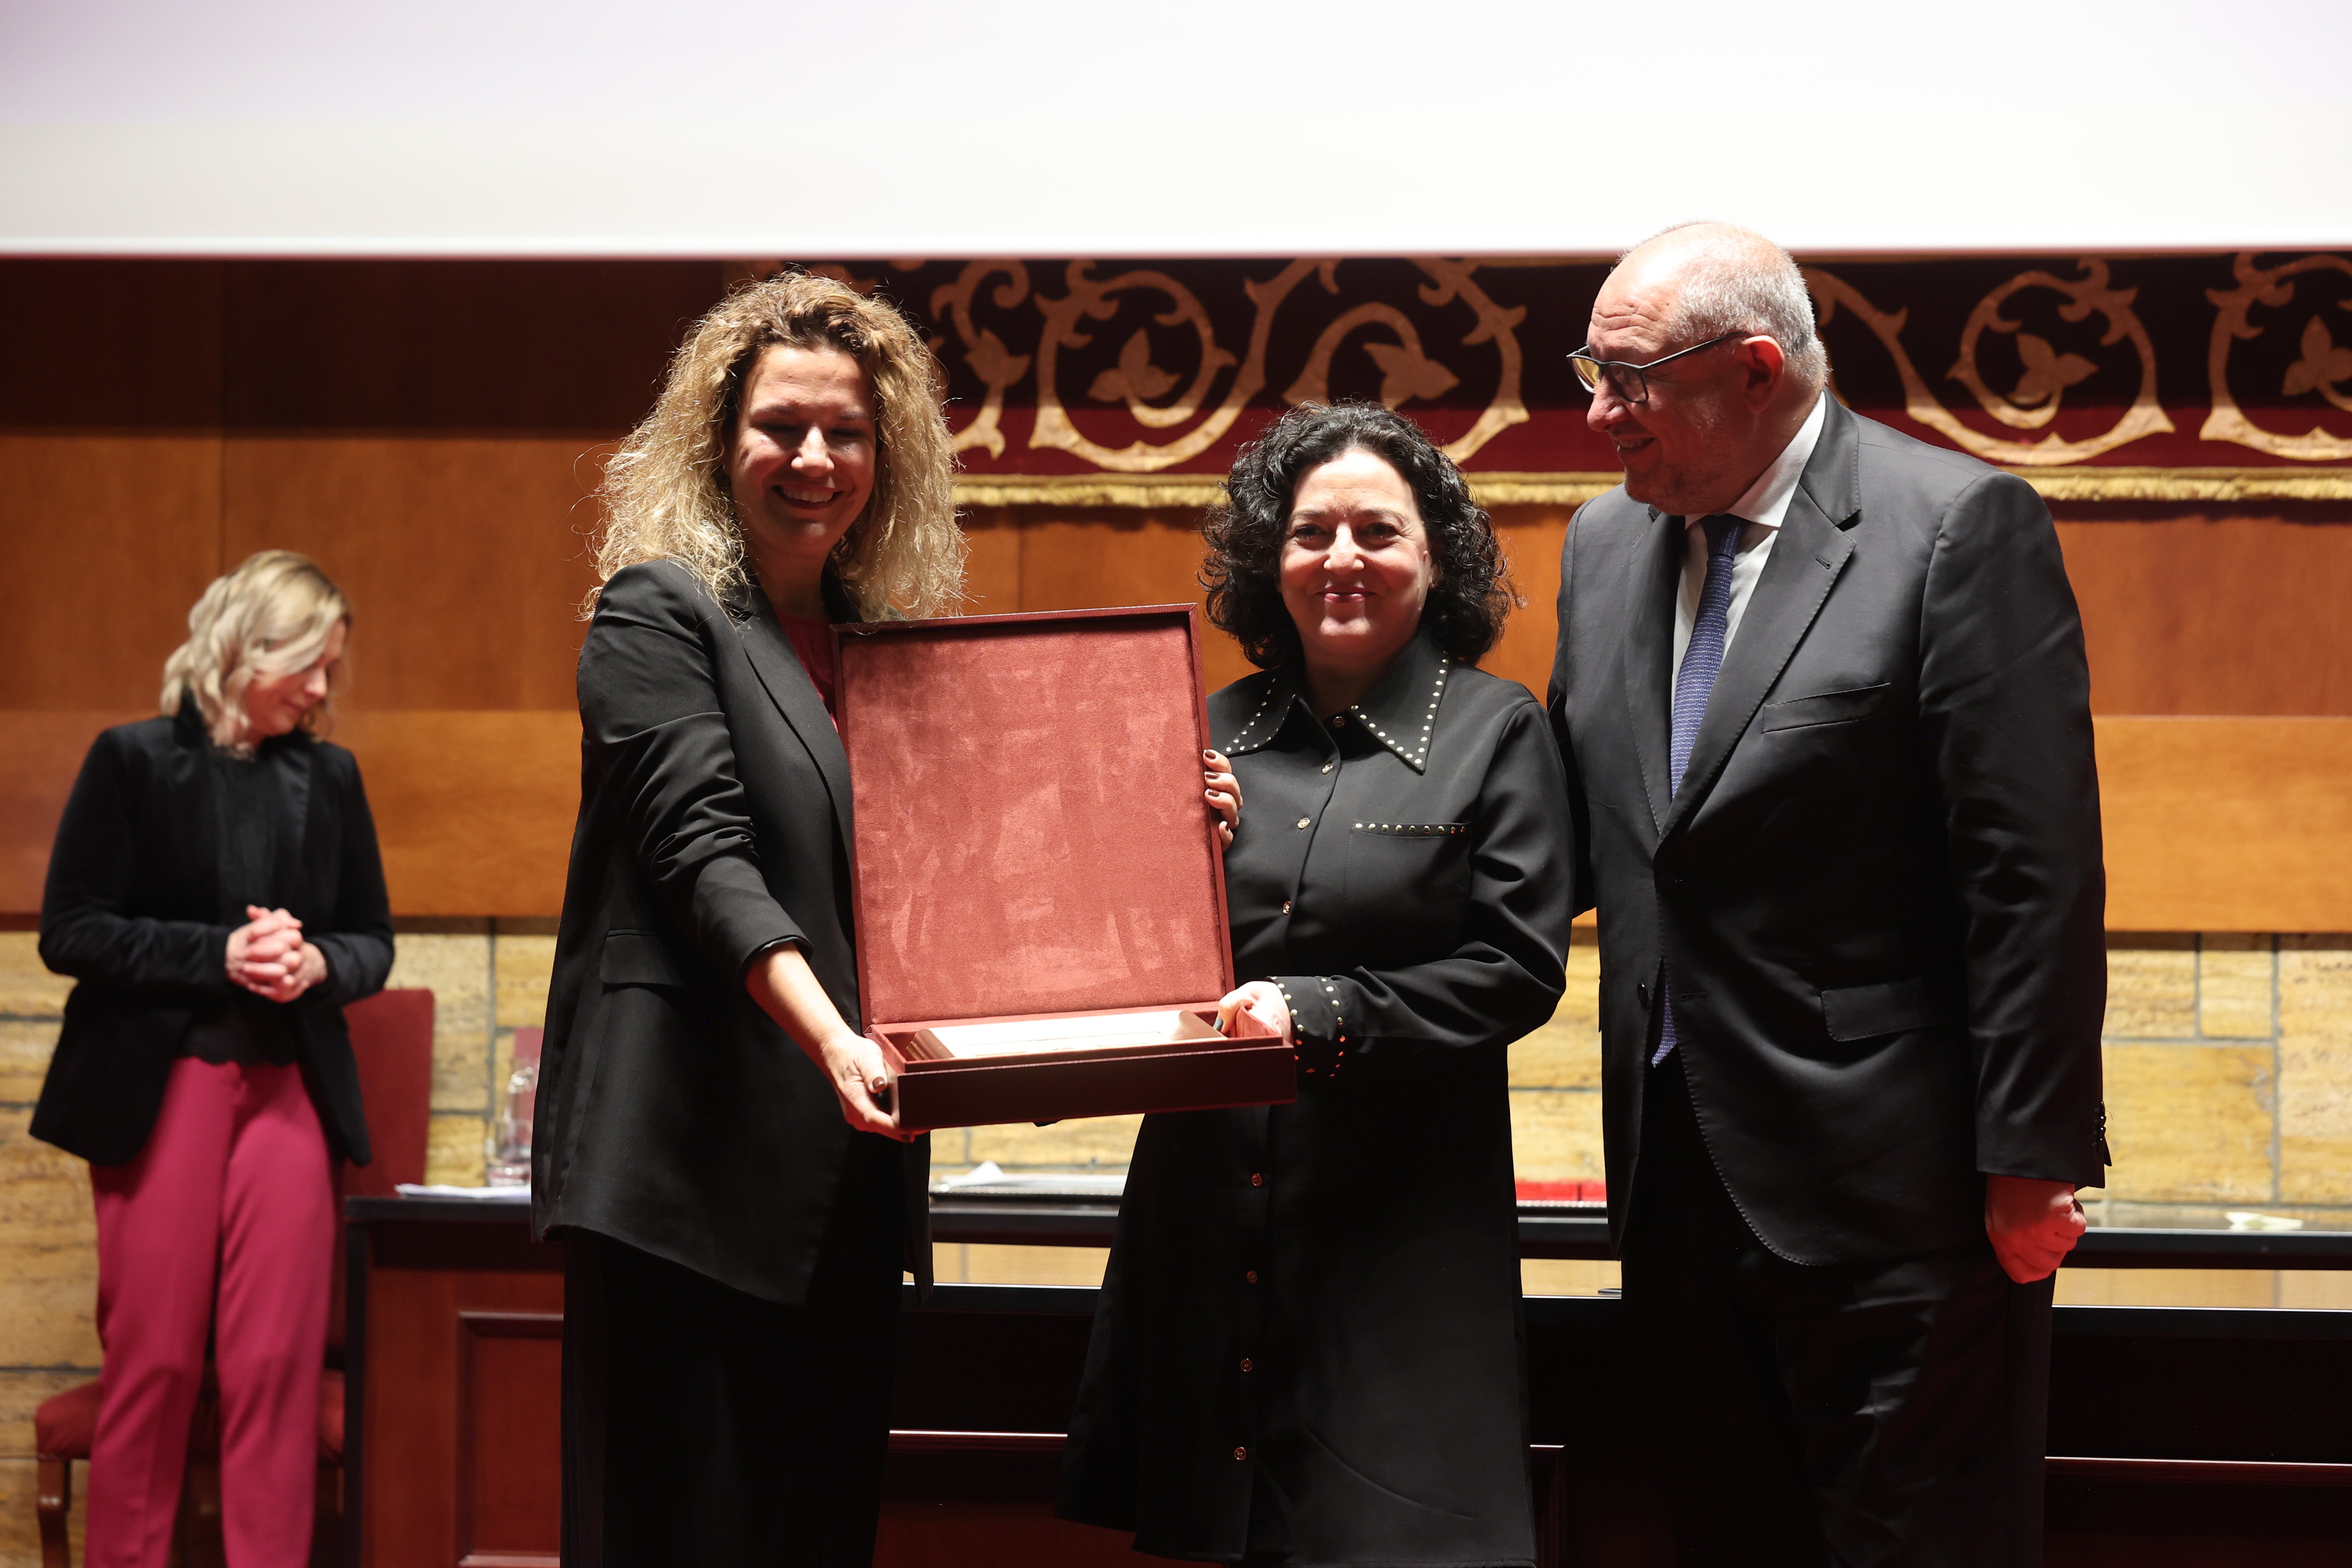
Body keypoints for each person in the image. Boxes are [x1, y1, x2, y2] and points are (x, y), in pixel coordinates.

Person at [534, 272, 1241, 1564]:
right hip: (688, 1184)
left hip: (842, 1182)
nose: (814, 458)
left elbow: (976, 871)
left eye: (847, 432)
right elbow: (704, 855)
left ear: (888, 453)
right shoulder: (660, 613)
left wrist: (1162, 820)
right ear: (717, 441)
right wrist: (830, 1034)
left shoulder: (874, 645)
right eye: (780, 426)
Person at [1547, 223, 2108, 1565]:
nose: (1595, 411)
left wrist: (2033, 1159)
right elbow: (1583, 829)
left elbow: (2030, 873)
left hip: (1898, 1195)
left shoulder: (1957, 527)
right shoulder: (1604, 545)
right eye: (1592, 369)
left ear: (1754, 370)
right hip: (1673, 1173)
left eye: (1628, 378)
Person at [1060, 403, 1576, 1566]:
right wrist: (1153, 860)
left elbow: (1515, 972)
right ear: (1269, 558)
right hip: (1206, 1208)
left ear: (1435, 558)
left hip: (1397, 1232)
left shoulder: (1500, 731)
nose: (1342, 558)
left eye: (1378, 533)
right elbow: (1124, 964)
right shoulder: (1206, 733)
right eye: (1310, 532)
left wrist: (1321, 1007)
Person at [34, 550, 392, 1568]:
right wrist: (218, 954)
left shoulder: (331, 776)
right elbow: (72, 930)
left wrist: (316, 961)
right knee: (153, 1362)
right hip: (162, 1089)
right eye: (311, 665)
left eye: (331, 669)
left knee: (274, 1363)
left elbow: (372, 938)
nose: (324, 690)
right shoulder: (132, 760)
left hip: (290, 1092)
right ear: (249, 650)